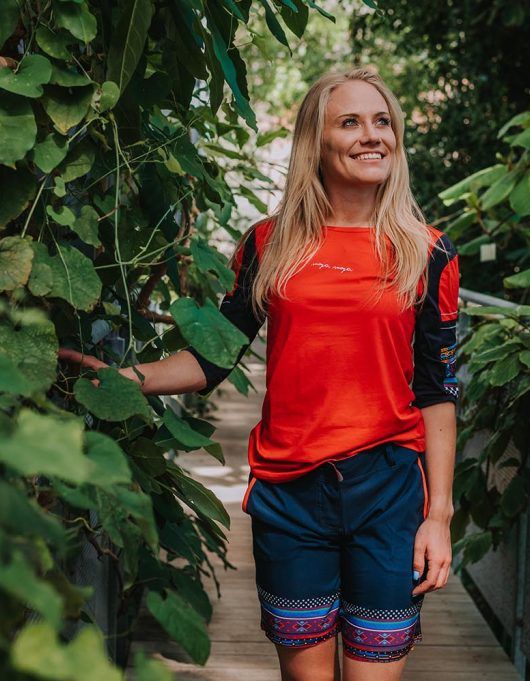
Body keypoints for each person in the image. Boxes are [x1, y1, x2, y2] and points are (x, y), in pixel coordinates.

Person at [59, 67, 461, 681]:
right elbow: (211, 358)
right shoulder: (270, 245)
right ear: (315, 142)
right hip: (292, 493)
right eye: (349, 122)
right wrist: (122, 376)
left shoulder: (427, 253)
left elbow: (437, 393)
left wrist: (438, 517)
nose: (371, 135)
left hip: (388, 492)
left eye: (383, 122)